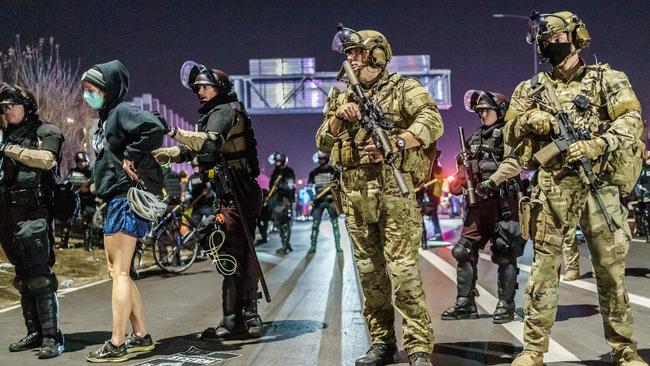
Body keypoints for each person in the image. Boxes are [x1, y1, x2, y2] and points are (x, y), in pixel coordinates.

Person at [504, 11, 647, 366]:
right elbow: (509, 135)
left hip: (599, 185)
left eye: (557, 38)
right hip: (553, 188)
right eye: (546, 41)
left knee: (611, 273)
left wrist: (598, 144)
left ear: (575, 37)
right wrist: (527, 120)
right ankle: (533, 350)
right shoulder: (530, 88)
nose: (551, 45)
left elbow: (631, 121)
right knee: (542, 272)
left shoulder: (607, 79)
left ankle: (624, 349)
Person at [317, 25, 443, 366]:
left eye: (355, 52)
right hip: (355, 195)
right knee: (370, 275)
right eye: (347, 53)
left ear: (375, 54)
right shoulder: (341, 94)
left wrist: (399, 141)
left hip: (393, 193)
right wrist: (337, 122)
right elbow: (322, 142)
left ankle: (418, 346)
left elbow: (432, 120)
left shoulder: (403, 87)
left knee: (403, 274)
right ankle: (382, 343)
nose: (349, 58)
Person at [152, 61, 264, 340]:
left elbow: (209, 142)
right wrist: (166, 154)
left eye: (205, 86)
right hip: (232, 193)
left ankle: (235, 320)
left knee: (231, 253)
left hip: (239, 193)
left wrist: (172, 130)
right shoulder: (213, 113)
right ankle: (247, 316)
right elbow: (195, 151)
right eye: (197, 88)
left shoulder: (225, 111)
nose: (199, 91)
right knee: (240, 253)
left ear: (220, 88)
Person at [82, 60, 164, 362]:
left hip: (125, 199)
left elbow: (154, 127)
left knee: (119, 272)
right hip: (115, 199)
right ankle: (141, 335)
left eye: (93, 89)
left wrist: (131, 155)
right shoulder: (106, 118)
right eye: (86, 90)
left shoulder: (120, 111)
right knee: (119, 272)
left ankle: (117, 343)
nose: (88, 94)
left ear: (110, 88)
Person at [442, 90, 523, 324]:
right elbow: (465, 171)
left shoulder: (509, 134)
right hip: (477, 206)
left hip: (502, 205)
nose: (482, 115)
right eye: (479, 111)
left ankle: (506, 305)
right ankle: (465, 304)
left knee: (505, 253)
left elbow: (515, 163)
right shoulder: (474, 137)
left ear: (500, 110)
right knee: (463, 251)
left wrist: (491, 182)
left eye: (486, 110)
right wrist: (457, 182)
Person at [0, 83, 65, 359]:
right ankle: (35, 332)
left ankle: (53, 336)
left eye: (9, 106)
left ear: (26, 106)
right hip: (7, 216)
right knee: (23, 278)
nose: (5, 112)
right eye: (1, 108)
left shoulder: (45, 132)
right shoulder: (4, 136)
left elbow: (48, 160)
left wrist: (11, 150)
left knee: (39, 277)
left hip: (34, 213)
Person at [61, 151, 96, 250]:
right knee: (69, 221)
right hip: (74, 201)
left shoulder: (91, 173)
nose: (82, 164)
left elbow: (94, 188)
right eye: (80, 162)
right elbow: (66, 184)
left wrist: (89, 189)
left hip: (87, 201)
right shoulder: (72, 172)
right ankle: (63, 243)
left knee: (87, 223)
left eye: (84, 161)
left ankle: (88, 246)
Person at [307, 152, 341, 253]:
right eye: (320, 159)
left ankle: (338, 246)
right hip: (318, 200)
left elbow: (338, 185)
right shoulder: (314, 172)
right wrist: (313, 196)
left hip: (331, 200)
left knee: (335, 223)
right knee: (315, 224)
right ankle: (313, 246)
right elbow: (309, 188)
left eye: (323, 159)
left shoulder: (333, 171)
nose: (321, 160)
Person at [268, 152, 295, 255]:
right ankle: (286, 245)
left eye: (279, 161)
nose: (277, 163)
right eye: (277, 161)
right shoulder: (275, 172)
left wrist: (280, 185)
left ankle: (285, 247)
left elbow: (290, 186)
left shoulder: (288, 171)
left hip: (285, 200)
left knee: (285, 224)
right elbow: (272, 186)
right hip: (276, 200)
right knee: (279, 223)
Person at [416, 157, 443, 244]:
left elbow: (428, 180)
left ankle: (436, 234)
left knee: (431, 214)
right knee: (433, 215)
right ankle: (437, 234)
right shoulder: (438, 166)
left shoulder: (433, 166)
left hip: (432, 194)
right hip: (435, 194)